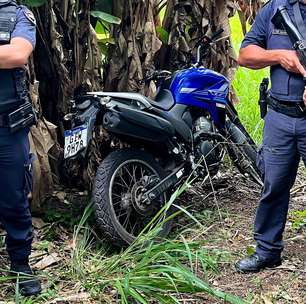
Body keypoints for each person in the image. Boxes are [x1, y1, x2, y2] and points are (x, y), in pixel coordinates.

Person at [235, 0, 306, 273]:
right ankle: (267, 250)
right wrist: (278, 56)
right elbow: (245, 54)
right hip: (279, 117)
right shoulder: (276, 8)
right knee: (273, 185)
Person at [0, 0, 41, 296]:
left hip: (6, 127)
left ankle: (20, 264)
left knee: (14, 197)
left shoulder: (16, 14)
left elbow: (17, 54)